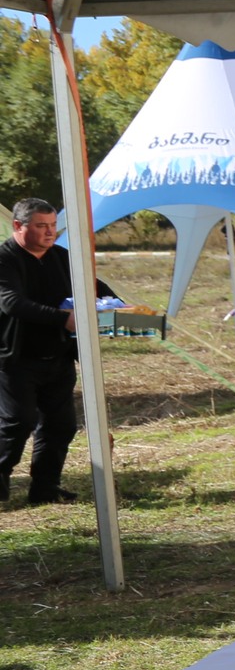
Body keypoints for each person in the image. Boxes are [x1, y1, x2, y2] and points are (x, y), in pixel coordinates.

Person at [0, 199, 98, 504]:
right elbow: (11, 303)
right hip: (15, 359)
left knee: (61, 426)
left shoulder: (61, 257)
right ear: (18, 226)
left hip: (58, 356)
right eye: (41, 226)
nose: (49, 232)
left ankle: (45, 489)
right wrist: (63, 318)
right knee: (18, 422)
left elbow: (93, 286)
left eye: (53, 225)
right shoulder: (5, 259)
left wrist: (124, 307)